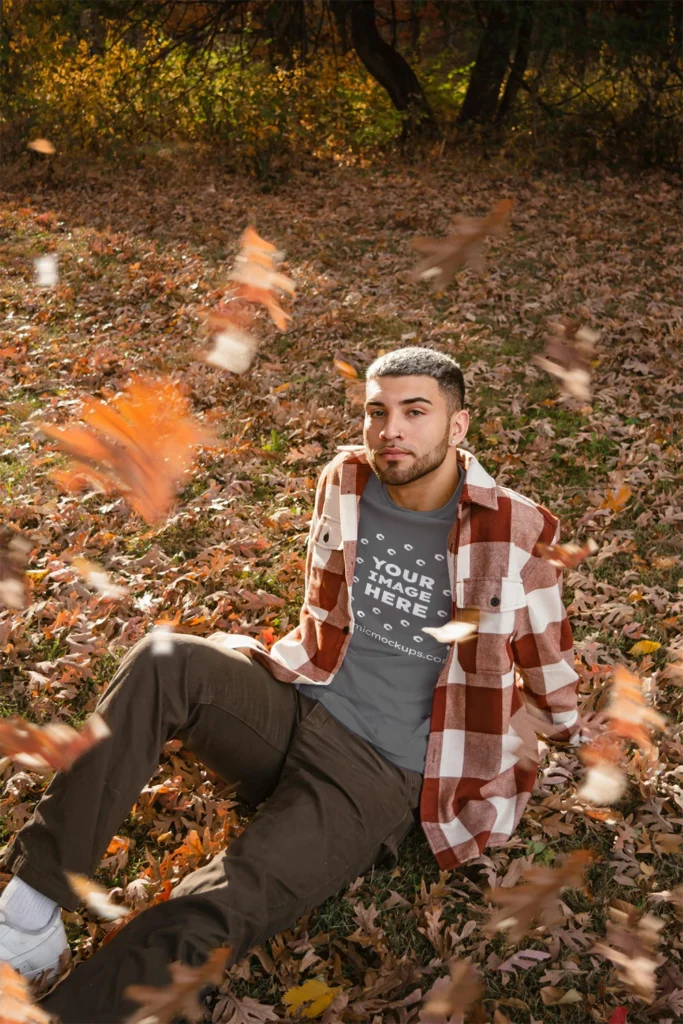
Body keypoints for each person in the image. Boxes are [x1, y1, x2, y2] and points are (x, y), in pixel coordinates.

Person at [0, 347, 581, 1022]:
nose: (390, 429)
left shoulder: (513, 530)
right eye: (377, 411)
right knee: (165, 658)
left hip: (376, 772)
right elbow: (323, 612)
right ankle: (29, 914)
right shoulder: (346, 479)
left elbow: (551, 679)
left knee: (219, 901)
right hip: (299, 700)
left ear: (457, 428)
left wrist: (512, 761)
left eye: (414, 412)